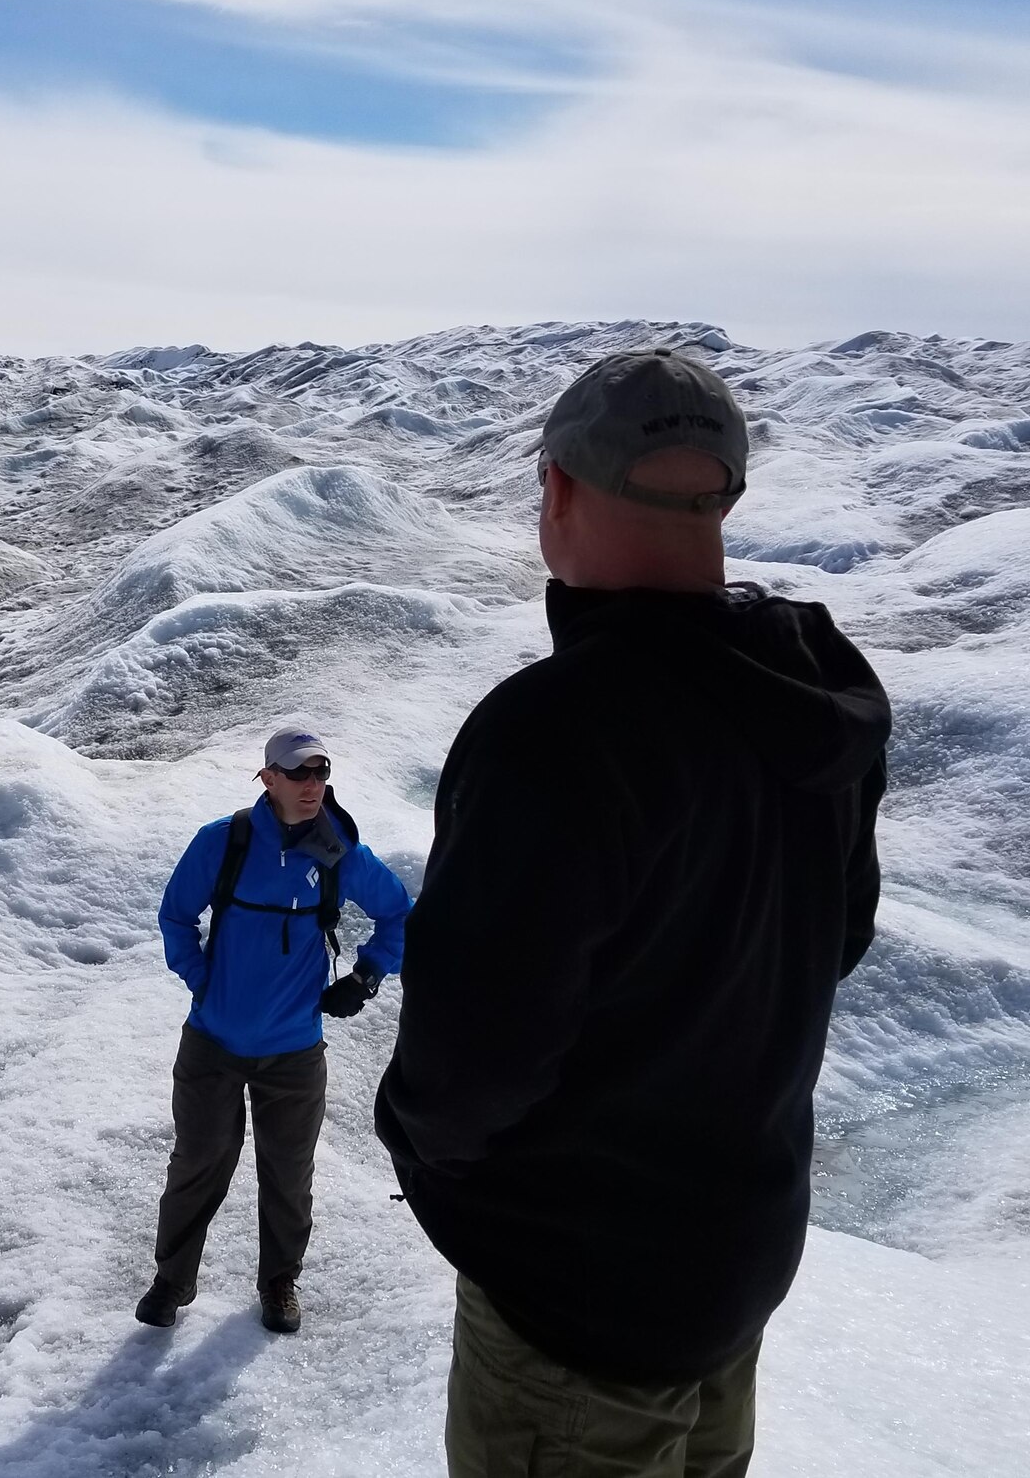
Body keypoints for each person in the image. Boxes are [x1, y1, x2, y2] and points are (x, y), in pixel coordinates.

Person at [375, 349, 889, 1476]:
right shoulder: (814, 690)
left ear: (557, 488)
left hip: (578, 1310)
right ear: (723, 495)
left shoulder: (554, 733)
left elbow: (471, 1061)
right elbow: (832, 939)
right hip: (733, 1262)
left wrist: (428, 1157)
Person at [144, 727, 413, 1334]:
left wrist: (367, 976)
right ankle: (171, 1282)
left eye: (320, 772)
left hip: (293, 1051)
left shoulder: (336, 850)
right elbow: (176, 916)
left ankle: (279, 1285)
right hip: (213, 1042)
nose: (312, 784)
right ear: (267, 778)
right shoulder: (225, 842)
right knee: (197, 1164)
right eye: (298, 773)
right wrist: (202, 980)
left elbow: (399, 913)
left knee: (288, 1175)